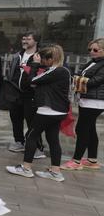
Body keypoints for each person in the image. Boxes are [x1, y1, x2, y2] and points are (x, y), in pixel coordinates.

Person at [6, 45, 71, 182]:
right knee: (53, 139)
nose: (41, 62)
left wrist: (34, 65)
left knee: (31, 135)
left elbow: (32, 81)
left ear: (51, 59)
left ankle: (26, 168)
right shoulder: (62, 71)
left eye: (43, 59)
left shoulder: (56, 71)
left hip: (48, 110)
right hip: (57, 111)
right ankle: (55, 171)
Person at [64, 38, 104, 170]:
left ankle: (76, 161)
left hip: (94, 102)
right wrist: (77, 78)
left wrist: (76, 79)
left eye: (95, 50)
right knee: (90, 129)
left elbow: (94, 82)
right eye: (90, 49)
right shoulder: (93, 62)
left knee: (82, 129)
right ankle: (92, 160)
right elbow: (83, 76)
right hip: (87, 100)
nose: (91, 52)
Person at [6, 32, 45, 158]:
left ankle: (38, 147)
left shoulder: (40, 56)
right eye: (23, 38)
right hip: (16, 92)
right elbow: (11, 71)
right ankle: (19, 142)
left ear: (36, 41)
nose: (25, 41)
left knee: (32, 121)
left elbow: (42, 73)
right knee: (15, 118)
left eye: (28, 39)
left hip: (31, 94)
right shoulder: (18, 55)